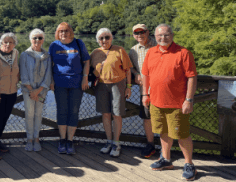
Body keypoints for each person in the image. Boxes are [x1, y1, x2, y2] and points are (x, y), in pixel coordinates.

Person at [142, 24, 198, 181]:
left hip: (177, 104)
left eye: (166, 35)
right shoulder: (151, 52)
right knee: (163, 131)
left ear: (172, 35)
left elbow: (192, 77)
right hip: (156, 102)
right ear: (155, 36)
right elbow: (145, 75)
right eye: (159, 35)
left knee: (182, 135)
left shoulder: (183, 53)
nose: (162, 38)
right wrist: (145, 94)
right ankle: (166, 160)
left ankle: (189, 164)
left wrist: (189, 99)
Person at [90, 28, 132, 157]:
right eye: (101, 38)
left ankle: (116, 143)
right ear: (98, 40)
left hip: (117, 85)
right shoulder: (95, 53)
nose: (104, 40)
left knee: (117, 114)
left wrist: (129, 86)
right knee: (106, 114)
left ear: (111, 38)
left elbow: (128, 70)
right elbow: (89, 69)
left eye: (107, 37)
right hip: (101, 85)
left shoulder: (119, 50)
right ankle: (108, 141)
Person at [49, 22, 90, 155]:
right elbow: (49, 64)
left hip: (76, 83)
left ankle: (70, 140)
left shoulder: (79, 43)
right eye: (61, 31)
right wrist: (51, 80)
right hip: (59, 83)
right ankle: (62, 139)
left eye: (66, 30)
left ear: (70, 31)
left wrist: (85, 77)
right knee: (61, 111)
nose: (63, 33)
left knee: (74, 111)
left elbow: (86, 61)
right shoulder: (54, 45)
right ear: (57, 32)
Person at [19, 29, 52, 152]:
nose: (37, 40)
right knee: (29, 115)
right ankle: (29, 139)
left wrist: (39, 90)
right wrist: (31, 90)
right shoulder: (24, 55)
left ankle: (36, 139)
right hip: (28, 91)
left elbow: (48, 75)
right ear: (30, 40)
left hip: (42, 91)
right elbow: (23, 75)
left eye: (40, 38)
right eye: (34, 38)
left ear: (43, 39)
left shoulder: (47, 56)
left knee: (38, 115)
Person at [128, 24, 157, 158]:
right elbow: (131, 67)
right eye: (136, 33)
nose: (140, 35)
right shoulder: (133, 50)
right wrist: (135, 74)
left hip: (161, 89)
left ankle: (166, 146)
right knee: (147, 118)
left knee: (165, 117)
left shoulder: (159, 44)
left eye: (142, 32)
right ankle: (150, 144)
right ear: (133, 35)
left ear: (147, 32)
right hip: (144, 90)